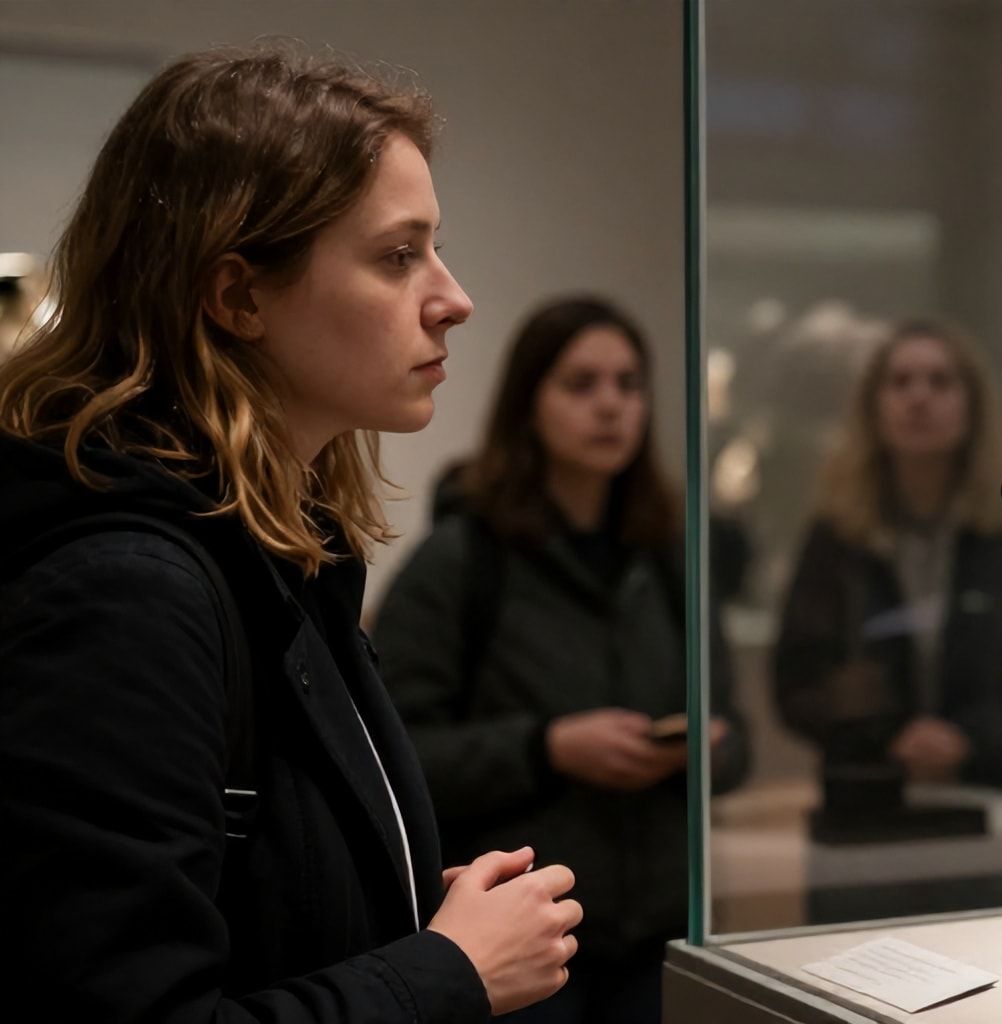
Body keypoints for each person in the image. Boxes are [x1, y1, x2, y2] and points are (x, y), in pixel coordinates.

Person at [0, 48, 578, 1021]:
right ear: (238, 297)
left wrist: (381, 903)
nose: (453, 297)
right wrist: (447, 970)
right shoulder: (127, 592)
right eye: (398, 256)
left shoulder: (283, 550)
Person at [375, 296, 750, 1024]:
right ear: (529, 404)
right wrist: (548, 749)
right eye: (580, 385)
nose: (610, 405)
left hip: (661, 937)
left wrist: (704, 749)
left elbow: (734, 735)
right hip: (520, 948)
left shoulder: (670, 557)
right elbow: (397, 763)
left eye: (628, 384)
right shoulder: (461, 560)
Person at [774, 320, 1002, 803]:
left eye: (940, 381)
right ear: (874, 405)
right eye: (900, 382)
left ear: (972, 405)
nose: (919, 398)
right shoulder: (837, 537)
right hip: (872, 801)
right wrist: (887, 736)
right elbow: (797, 681)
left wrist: (972, 739)